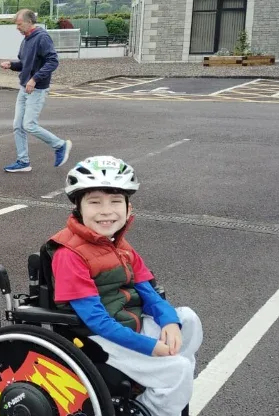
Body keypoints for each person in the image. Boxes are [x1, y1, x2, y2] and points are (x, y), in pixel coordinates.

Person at [47, 156, 202, 416]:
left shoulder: (120, 246)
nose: (106, 211)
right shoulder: (69, 254)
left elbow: (148, 292)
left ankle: (163, 384)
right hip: (97, 337)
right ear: (78, 208)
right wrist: (149, 347)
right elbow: (96, 321)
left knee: (187, 318)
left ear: (128, 207)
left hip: (129, 321)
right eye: (95, 202)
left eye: (116, 201)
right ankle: (152, 408)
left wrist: (169, 322)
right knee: (180, 370)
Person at [0, 9, 71, 173]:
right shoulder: (26, 40)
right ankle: (23, 161)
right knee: (18, 126)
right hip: (24, 88)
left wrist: (34, 79)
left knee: (29, 125)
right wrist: (11, 65)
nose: (17, 28)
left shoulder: (42, 37)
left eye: (19, 24)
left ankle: (60, 145)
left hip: (36, 89)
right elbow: (25, 64)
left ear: (29, 22)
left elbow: (53, 61)